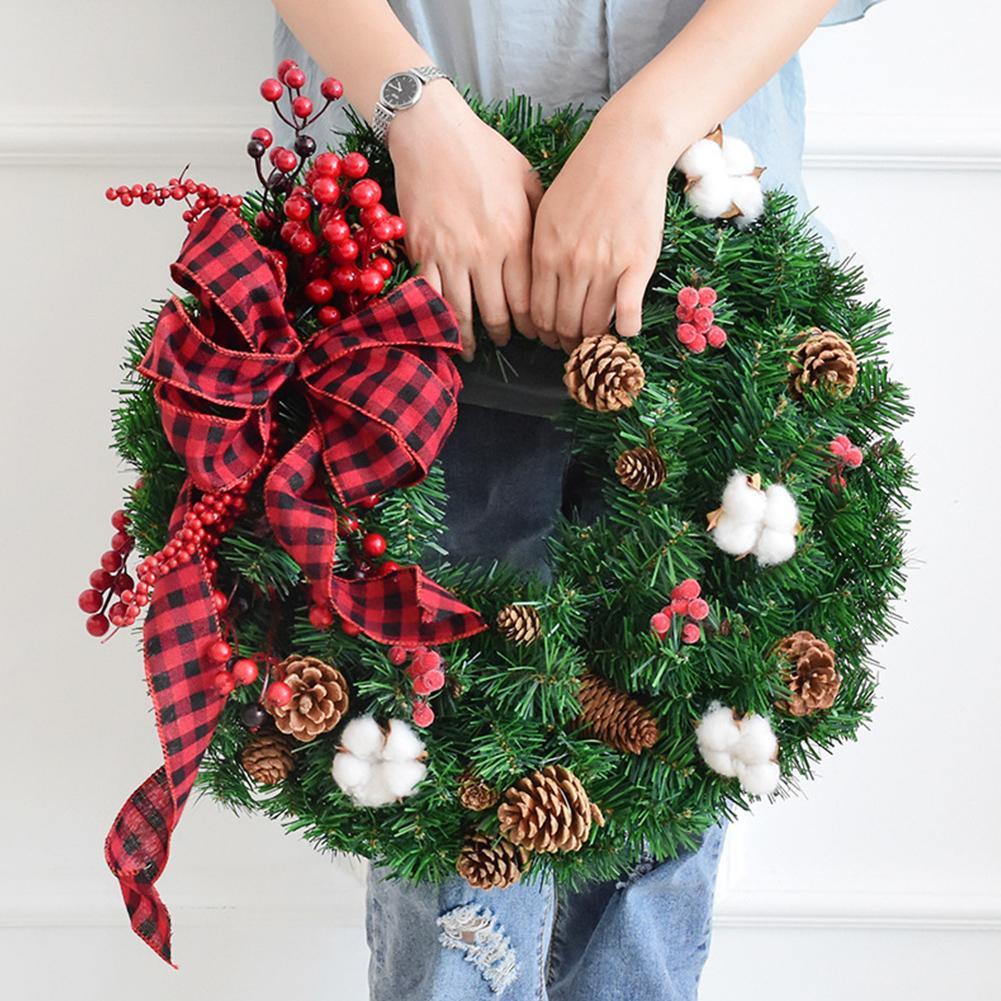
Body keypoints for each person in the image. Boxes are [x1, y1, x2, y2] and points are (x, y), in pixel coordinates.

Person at [271, 3, 883, 998]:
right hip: (407, 272)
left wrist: (642, 132)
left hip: (708, 302)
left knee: (650, 876)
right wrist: (415, 110)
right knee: (447, 871)